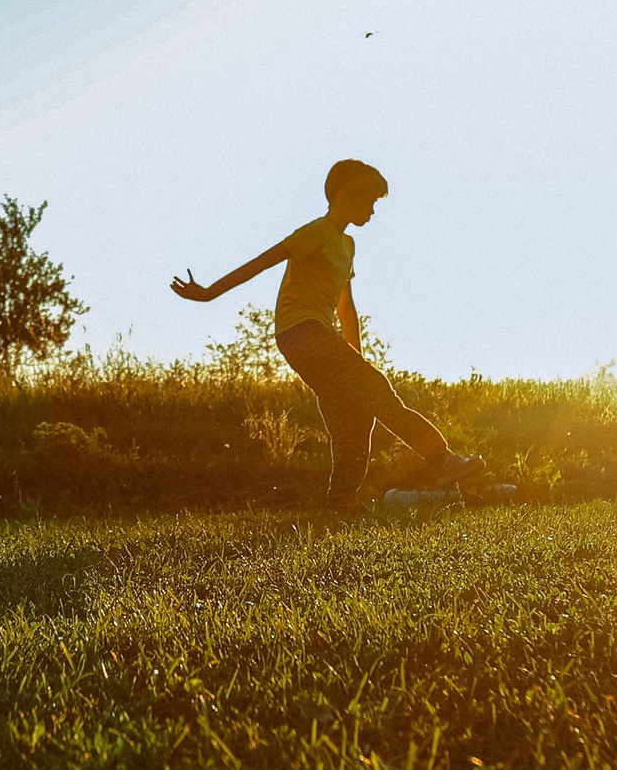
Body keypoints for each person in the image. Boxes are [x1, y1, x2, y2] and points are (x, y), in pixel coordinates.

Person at [172, 159, 483, 511]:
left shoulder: (347, 246)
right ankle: (442, 460)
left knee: (355, 414)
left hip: (311, 337)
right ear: (347, 196)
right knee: (378, 392)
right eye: (370, 201)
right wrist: (209, 292)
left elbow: (346, 309)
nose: (373, 210)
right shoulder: (315, 232)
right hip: (301, 331)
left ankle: (341, 501)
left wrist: (358, 358)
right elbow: (263, 261)